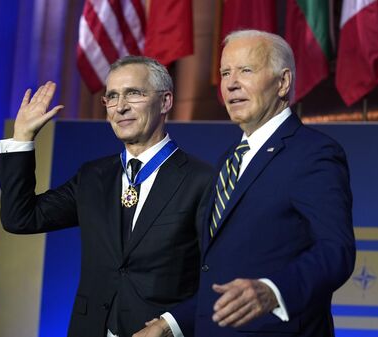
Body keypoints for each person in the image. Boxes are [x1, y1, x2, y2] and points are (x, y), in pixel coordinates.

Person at [133, 30, 355, 337]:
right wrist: (170, 324)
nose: (231, 83)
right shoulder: (229, 159)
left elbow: (335, 251)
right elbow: (223, 275)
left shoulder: (312, 153)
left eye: (246, 70)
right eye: (225, 72)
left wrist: (272, 290)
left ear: (283, 82)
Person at [0, 56, 213, 337]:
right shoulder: (93, 177)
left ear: (166, 101)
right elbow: (20, 218)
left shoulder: (202, 180)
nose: (121, 107)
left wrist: (171, 324)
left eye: (134, 93)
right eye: (112, 97)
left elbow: (219, 273)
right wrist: (22, 137)